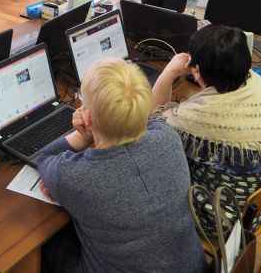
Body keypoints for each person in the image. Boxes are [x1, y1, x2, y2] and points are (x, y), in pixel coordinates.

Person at [37, 59, 205, 273]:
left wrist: (84, 136)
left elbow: (46, 156)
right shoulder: (168, 136)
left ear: (87, 117)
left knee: (48, 244)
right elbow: (144, 123)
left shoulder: (77, 177)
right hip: (192, 265)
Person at [151, 24, 261, 235]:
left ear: (196, 70)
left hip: (222, 221)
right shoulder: (258, 85)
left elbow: (154, 123)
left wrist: (170, 72)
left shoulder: (199, 119)